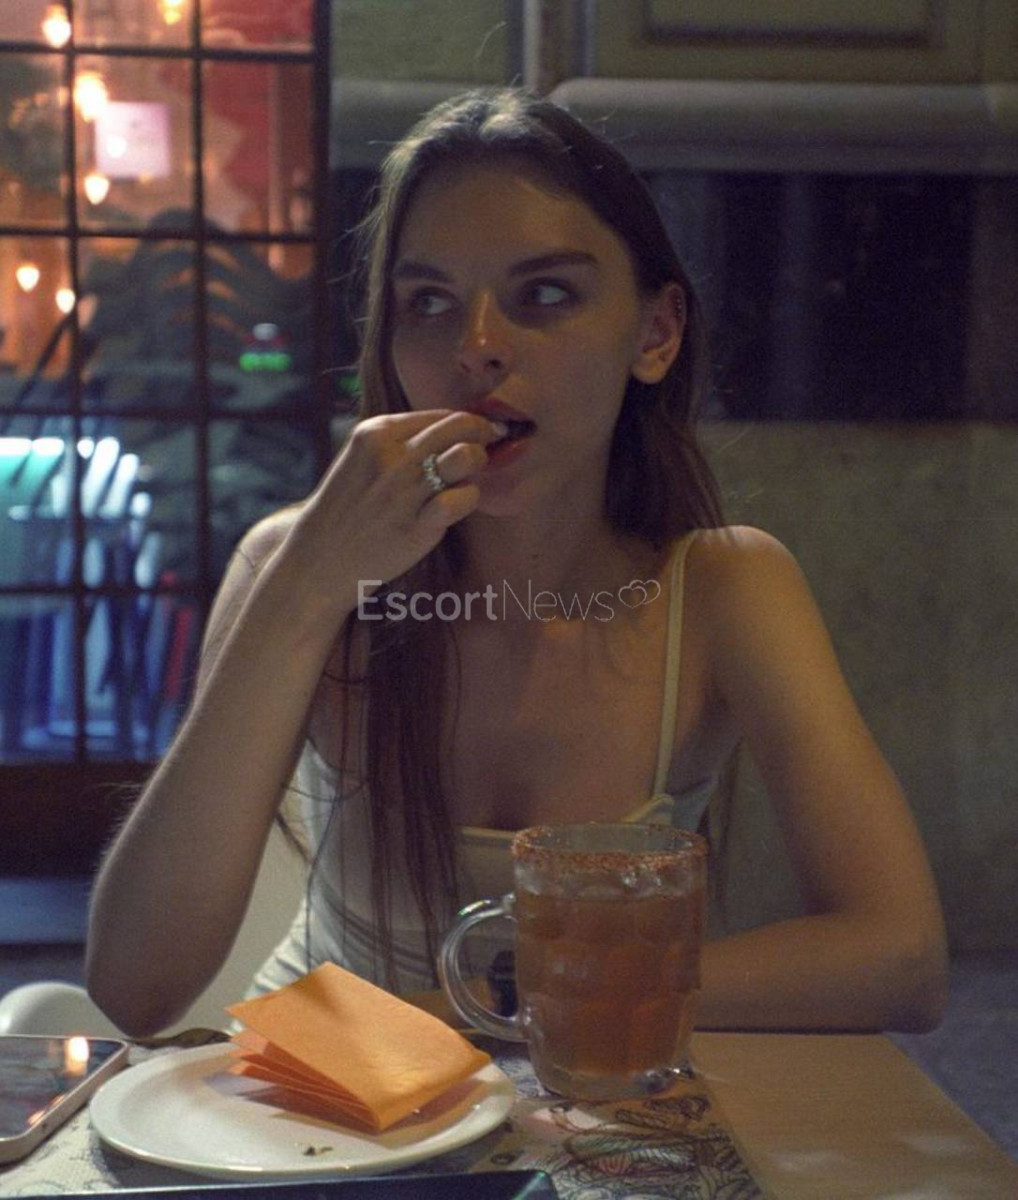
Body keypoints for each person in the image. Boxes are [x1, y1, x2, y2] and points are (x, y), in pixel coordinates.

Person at [86, 88, 948, 1038]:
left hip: (595, 1097)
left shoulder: (722, 588)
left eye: (545, 295)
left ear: (655, 333)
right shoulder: (297, 568)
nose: (477, 349)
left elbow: (901, 957)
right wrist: (306, 584)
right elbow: (133, 986)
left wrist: (481, 1012)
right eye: (429, 303)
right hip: (328, 1104)